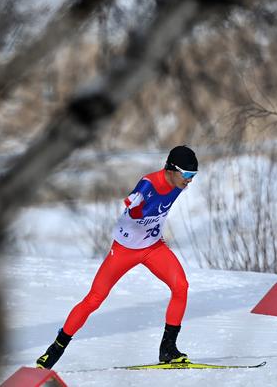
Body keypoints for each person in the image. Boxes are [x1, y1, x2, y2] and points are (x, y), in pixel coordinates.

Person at [36, 145, 198, 369]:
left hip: (152, 247)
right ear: (171, 169)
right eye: (187, 175)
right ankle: (54, 349)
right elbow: (135, 208)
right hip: (124, 251)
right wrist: (135, 207)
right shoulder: (149, 184)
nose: (190, 181)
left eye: (194, 176)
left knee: (181, 286)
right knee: (94, 299)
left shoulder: (179, 183)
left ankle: (168, 349)